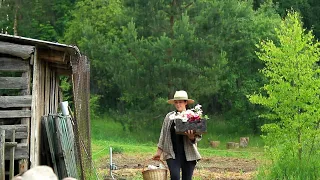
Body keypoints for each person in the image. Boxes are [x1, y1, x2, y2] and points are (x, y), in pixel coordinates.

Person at [153, 90, 202, 180]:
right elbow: (163, 135)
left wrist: (191, 137)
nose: (178, 104)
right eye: (176, 102)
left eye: (180, 102)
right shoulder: (169, 117)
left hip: (188, 154)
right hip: (172, 154)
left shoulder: (192, 116)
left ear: (185, 103)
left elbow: (198, 135)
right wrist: (158, 152)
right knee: (175, 177)